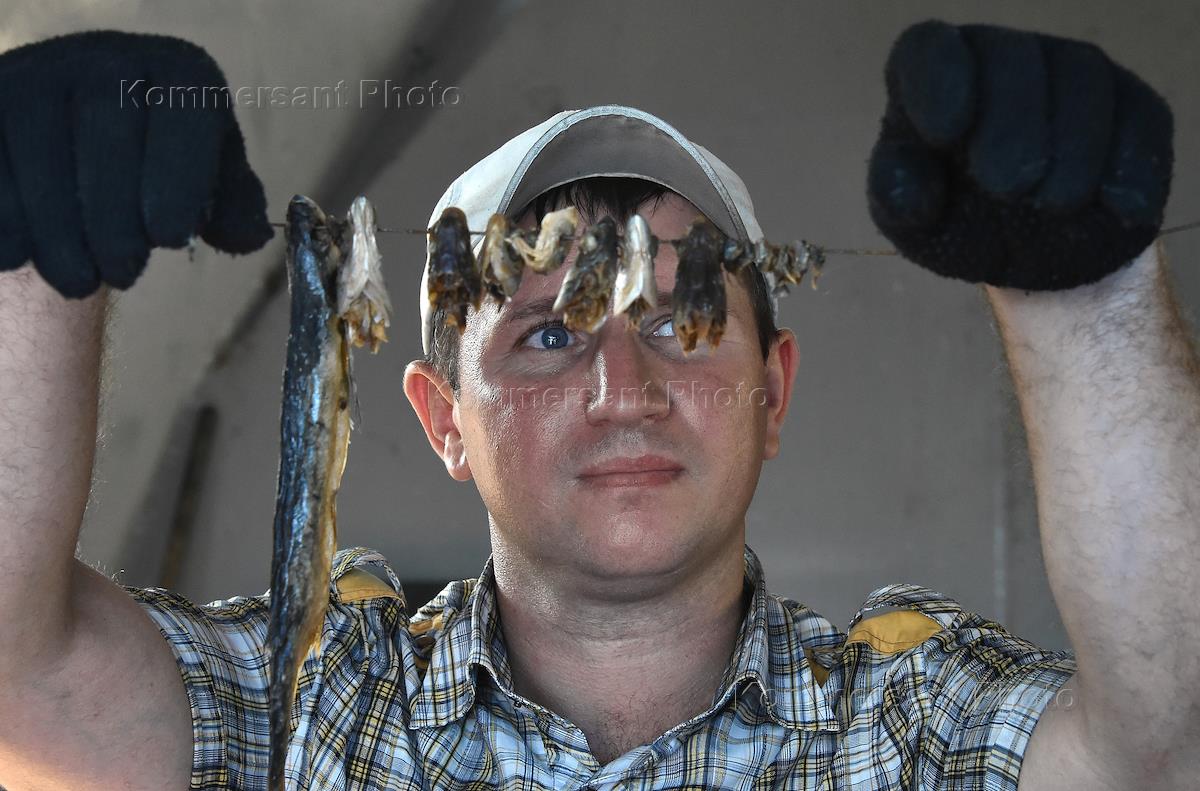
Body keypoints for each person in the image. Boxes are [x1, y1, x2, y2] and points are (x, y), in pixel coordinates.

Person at [0, 20, 1196, 791]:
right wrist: (31, 271)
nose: (626, 390)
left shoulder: (914, 718)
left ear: (774, 394)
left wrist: (1087, 298)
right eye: (550, 332)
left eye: (684, 320)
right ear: (443, 419)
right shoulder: (311, 697)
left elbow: (1167, 739)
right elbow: (23, 671)